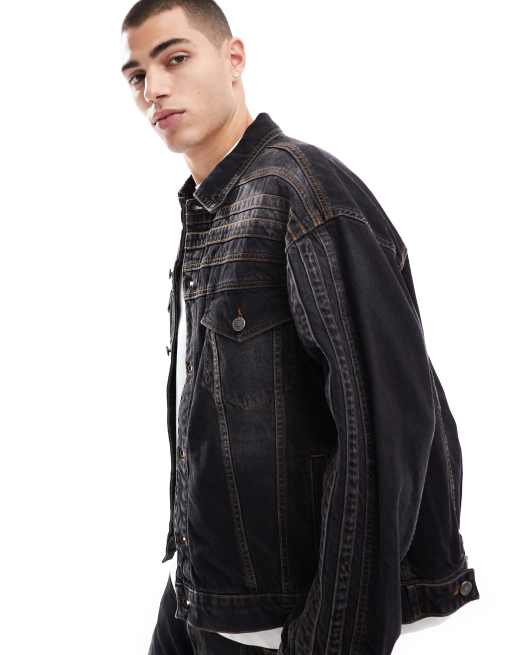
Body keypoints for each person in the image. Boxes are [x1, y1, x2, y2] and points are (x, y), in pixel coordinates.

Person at [119, 2, 480, 654]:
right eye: (138, 76)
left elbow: (384, 429)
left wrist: (334, 636)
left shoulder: (304, 192)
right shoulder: (209, 208)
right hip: (203, 593)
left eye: (175, 58)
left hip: (279, 623)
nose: (155, 89)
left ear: (233, 58)